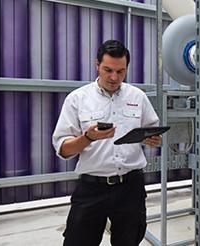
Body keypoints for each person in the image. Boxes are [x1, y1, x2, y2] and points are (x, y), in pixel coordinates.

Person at [52, 40, 161, 246]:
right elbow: (63, 150)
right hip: (92, 188)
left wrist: (153, 139)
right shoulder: (77, 99)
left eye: (121, 72)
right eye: (108, 70)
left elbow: (152, 129)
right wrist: (88, 138)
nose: (114, 77)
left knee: (129, 241)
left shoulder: (138, 96)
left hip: (131, 187)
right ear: (97, 65)